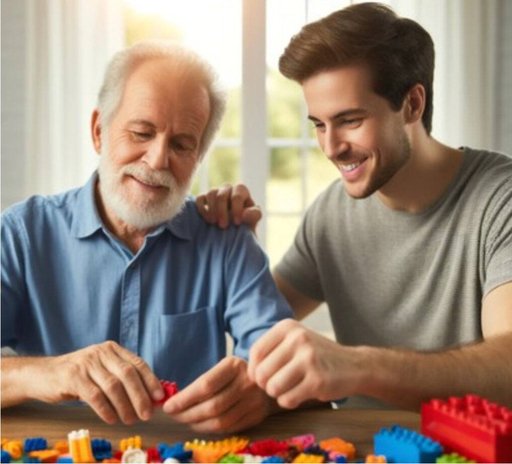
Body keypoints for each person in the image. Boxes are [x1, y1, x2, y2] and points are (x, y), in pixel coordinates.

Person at [197, 2, 512, 410]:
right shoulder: (330, 215)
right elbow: (250, 317)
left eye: (349, 120)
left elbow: (508, 367)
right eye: (319, 125)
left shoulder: (500, 199)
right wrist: (231, 243)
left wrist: (357, 366)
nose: (330, 147)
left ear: (413, 105)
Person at [0, 40, 293, 433]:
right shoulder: (23, 235)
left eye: (181, 144)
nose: (157, 160)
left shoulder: (227, 240)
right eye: (141, 132)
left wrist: (267, 394)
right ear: (99, 130)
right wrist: (50, 373)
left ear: (198, 158)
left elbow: (288, 369)